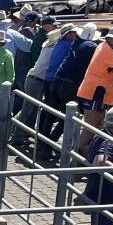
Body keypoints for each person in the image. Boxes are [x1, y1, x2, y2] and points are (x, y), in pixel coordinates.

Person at [76, 25, 113, 151]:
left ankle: (81, 153)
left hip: (95, 92)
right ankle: (75, 154)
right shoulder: (108, 52)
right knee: (91, 126)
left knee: (97, 125)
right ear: (110, 38)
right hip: (96, 93)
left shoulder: (103, 46)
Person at [37, 23, 81, 156]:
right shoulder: (69, 45)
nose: (75, 35)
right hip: (60, 82)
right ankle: (49, 142)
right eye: (73, 33)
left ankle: (43, 142)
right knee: (63, 114)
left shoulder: (57, 44)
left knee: (50, 112)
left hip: (50, 79)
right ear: (68, 34)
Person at [12, 27, 60, 148]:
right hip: (36, 80)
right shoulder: (53, 50)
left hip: (33, 78)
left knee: (29, 108)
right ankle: (17, 135)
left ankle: (19, 132)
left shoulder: (47, 47)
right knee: (28, 108)